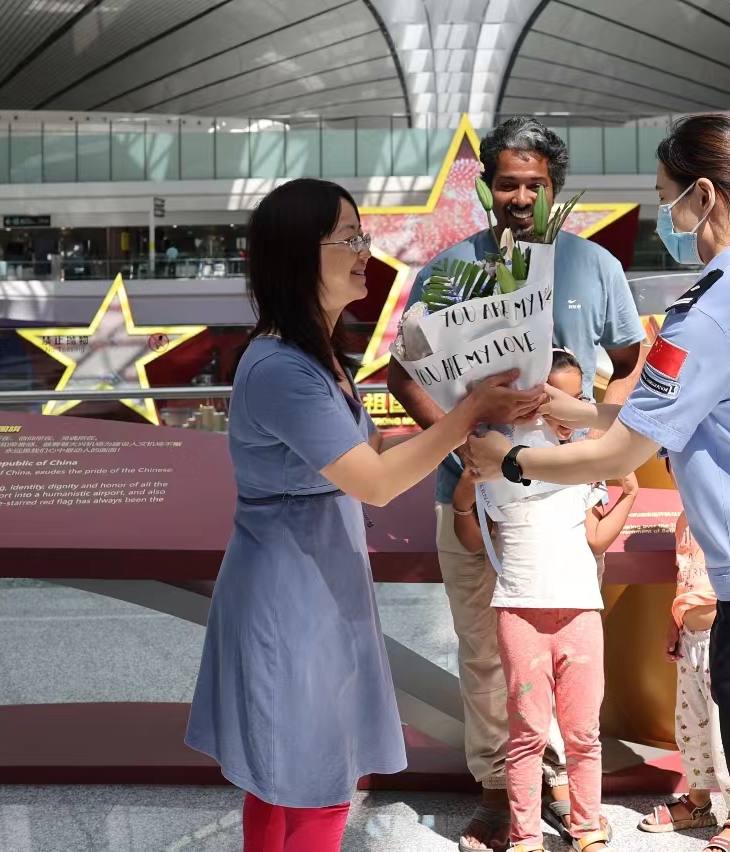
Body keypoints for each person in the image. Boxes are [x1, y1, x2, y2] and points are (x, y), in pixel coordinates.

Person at [468, 114, 730, 852]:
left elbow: (616, 456)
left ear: (703, 196)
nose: (665, 216)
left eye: (666, 199)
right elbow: (713, 410)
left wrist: (510, 460)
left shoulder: (705, 313)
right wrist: (581, 410)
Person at [184, 178, 543, 852]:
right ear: (299, 254)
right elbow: (374, 483)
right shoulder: (283, 369)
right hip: (291, 597)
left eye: (362, 236)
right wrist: (468, 413)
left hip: (313, 584)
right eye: (349, 238)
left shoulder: (315, 357)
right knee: (317, 778)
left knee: (281, 775)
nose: (364, 252)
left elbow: (371, 452)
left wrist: (463, 415)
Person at [388, 116, 645, 851]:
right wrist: (461, 439)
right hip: (473, 501)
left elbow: (631, 358)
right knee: (484, 652)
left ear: (555, 188)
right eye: (508, 183)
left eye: (535, 184)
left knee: (566, 657)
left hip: (565, 507)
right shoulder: (448, 272)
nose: (522, 197)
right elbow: (402, 374)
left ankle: (559, 786)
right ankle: (499, 790)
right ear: (486, 189)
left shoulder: (595, 267)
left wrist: (598, 437)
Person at [451, 350, 637, 852]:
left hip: (580, 613)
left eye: (577, 398)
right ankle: (526, 836)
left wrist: (628, 496)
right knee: (528, 733)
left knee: (583, 732)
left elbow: (595, 539)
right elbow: (474, 540)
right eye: (553, 399)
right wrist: (464, 500)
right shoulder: (496, 462)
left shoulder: (586, 463)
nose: (565, 411)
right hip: (520, 613)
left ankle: (587, 829)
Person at [637, 455, 730, 851]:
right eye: (675, 464)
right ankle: (698, 803)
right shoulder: (685, 520)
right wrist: (674, 620)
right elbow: (687, 579)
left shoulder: (729, 511)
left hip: (723, 637)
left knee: (725, 731)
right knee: (691, 725)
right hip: (691, 640)